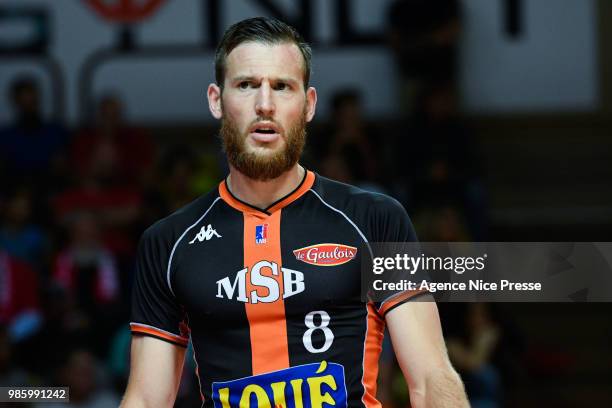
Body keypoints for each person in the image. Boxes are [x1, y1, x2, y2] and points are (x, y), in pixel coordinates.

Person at [122, 17, 468, 408]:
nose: (265, 104)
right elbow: (148, 399)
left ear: (309, 104)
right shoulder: (167, 243)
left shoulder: (376, 219)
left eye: (282, 87)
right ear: (217, 100)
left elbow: (429, 375)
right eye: (247, 85)